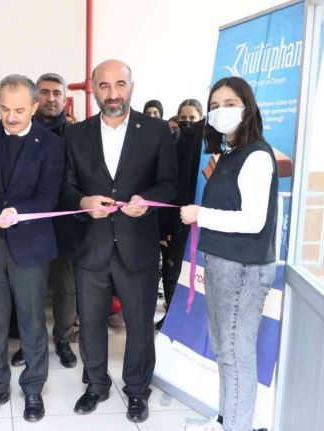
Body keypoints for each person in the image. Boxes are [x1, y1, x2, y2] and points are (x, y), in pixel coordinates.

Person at [61, 59, 178, 423]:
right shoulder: (75, 134)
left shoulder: (157, 131)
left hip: (137, 245)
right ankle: (96, 385)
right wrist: (83, 202)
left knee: (140, 324)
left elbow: (170, 184)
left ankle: (137, 390)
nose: (113, 94)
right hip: (91, 244)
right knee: (90, 322)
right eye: (104, 86)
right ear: (93, 89)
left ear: (131, 87)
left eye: (120, 84)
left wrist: (148, 200)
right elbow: (65, 187)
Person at [0, 74, 65, 422]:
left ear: (34, 106)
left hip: (29, 245)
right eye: (4, 109)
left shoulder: (50, 144)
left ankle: (33, 387)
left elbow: (48, 196)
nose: (11, 117)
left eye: (19, 110)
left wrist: (18, 213)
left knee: (32, 320)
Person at [181, 76, 278, 431]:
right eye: (215, 106)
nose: (221, 111)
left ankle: (236, 425)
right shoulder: (231, 153)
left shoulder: (256, 155)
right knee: (225, 349)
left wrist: (200, 214)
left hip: (243, 268)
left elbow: (253, 221)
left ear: (247, 107)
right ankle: (227, 418)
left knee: (236, 353)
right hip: (224, 264)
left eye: (230, 104)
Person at [33, 72, 77, 368]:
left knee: (65, 287)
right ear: (36, 96)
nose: (50, 98)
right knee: (32, 288)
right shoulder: (24, 130)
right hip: (31, 224)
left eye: (56, 93)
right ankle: (32, 343)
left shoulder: (77, 134)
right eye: (45, 92)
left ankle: (63, 339)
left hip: (66, 224)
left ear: (64, 98)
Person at [157, 98, 205, 330]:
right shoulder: (175, 143)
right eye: (183, 118)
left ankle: (188, 321)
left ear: (201, 118)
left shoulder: (208, 145)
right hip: (176, 221)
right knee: (171, 270)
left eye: (192, 118)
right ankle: (171, 315)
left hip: (201, 219)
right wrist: (165, 226)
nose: (187, 123)